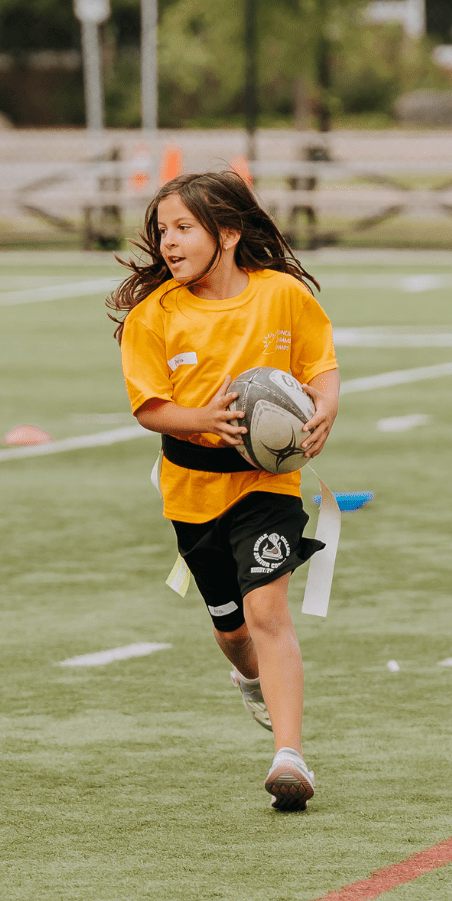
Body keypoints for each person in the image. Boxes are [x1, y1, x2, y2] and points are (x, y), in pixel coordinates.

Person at [108, 172, 339, 811]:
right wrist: (204, 421)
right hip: (192, 494)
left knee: (268, 612)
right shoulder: (153, 317)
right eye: (163, 230)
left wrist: (326, 404)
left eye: (184, 228)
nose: (169, 242)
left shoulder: (282, 296)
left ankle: (289, 757)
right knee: (233, 629)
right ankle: (245, 673)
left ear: (229, 235)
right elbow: (149, 408)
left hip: (269, 485)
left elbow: (320, 362)